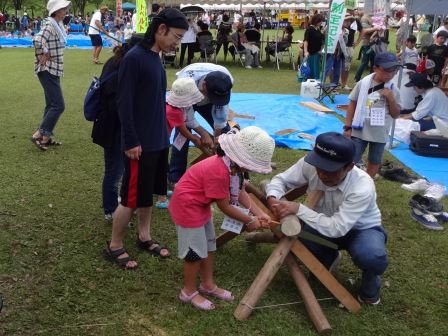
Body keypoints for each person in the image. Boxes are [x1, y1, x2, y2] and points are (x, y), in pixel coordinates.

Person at [103, 8, 189, 269]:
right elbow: (124, 103)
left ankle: (144, 236)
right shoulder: (135, 58)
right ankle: (114, 245)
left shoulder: (156, 57)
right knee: (131, 197)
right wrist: (130, 140)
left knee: (150, 193)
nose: (178, 42)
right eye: (176, 36)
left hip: (158, 140)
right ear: (161, 29)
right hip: (139, 144)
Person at [266, 132, 389, 305]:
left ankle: (370, 286)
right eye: (319, 167)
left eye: (330, 170)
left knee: (371, 257)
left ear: (349, 166)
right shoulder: (310, 164)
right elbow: (281, 180)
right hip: (321, 223)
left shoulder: (362, 186)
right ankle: (327, 257)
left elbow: (337, 228)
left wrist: (298, 209)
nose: (322, 174)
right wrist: (273, 198)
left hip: (361, 230)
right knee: (293, 234)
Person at [169, 126, 275, 311]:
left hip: (200, 205)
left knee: (209, 245)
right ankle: (188, 291)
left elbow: (240, 192)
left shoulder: (234, 168)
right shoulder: (218, 171)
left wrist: (260, 213)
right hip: (187, 207)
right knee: (194, 252)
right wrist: (249, 220)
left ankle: (207, 285)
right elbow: (224, 205)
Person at [168, 63, 232, 188]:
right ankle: (175, 177)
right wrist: (202, 134)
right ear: (204, 85)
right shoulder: (185, 82)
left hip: (206, 98)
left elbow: (221, 114)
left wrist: (216, 138)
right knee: (181, 134)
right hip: (187, 97)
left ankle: (232, 170)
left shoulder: (226, 78)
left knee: (226, 133)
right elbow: (187, 118)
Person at [91, 42, 136, 221]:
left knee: (117, 168)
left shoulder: (114, 62)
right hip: (113, 128)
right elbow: (118, 105)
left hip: (108, 125)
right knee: (114, 170)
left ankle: (113, 202)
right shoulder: (122, 69)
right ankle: (110, 209)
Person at [344, 52, 401, 178]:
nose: (390, 74)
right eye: (386, 70)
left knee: (375, 160)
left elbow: (396, 115)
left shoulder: (394, 89)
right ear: (375, 68)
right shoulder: (363, 83)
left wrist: (391, 99)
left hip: (380, 132)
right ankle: (346, 181)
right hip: (360, 129)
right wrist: (348, 127)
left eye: (394, 70)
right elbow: (352, 104)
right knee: (352, 158)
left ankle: (368, 184)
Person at [155, 77, 207, 209]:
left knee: (161, 167)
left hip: (160, 140)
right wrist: (195, 138)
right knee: (161, 168)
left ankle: (160, 189)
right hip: (159, 142)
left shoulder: (169, 105)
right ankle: (161, 198)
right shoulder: (175, 111)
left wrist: (200, 135)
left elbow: (187, 123)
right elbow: (182, 129)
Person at [31, 0, 71, 151]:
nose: (66, 10)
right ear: (57, 11)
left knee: (51, 105)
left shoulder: (57, 24)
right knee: (58, 105)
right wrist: (44, 53)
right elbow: (37, 40)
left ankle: (45, 138)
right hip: (47, 69)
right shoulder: (50, 25)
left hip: (53, 69)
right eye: (64, 8)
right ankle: (38, 135)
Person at [354, 12, 382, 82]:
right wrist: (375, 28)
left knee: (373, 62)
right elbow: (365, 31)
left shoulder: (370, 17)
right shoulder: (364, 18)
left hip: (373, 44)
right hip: (367, 44)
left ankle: (371, 79)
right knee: (364, 62)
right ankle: (357, 78)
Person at [341, 12, 363, 90]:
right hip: (338, 47)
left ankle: (344, 84)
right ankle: (335, 83)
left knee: (347, 67)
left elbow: (362, 31)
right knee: (336, 66)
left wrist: (357, 42)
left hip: (349, 47)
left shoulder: (355, 20)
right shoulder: (340, 17)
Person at [303, 13, 325, 80]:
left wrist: (321, 50)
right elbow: (306, 41)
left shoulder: (318, 29)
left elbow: (321, 40)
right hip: (311, 53)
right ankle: (309, 82)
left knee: (316, 69)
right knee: (310, 69)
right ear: (316, 20)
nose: (321, 22)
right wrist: (306, 51)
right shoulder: (309, 29)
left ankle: (315, 81)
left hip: (317, 53)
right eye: (320, 21)